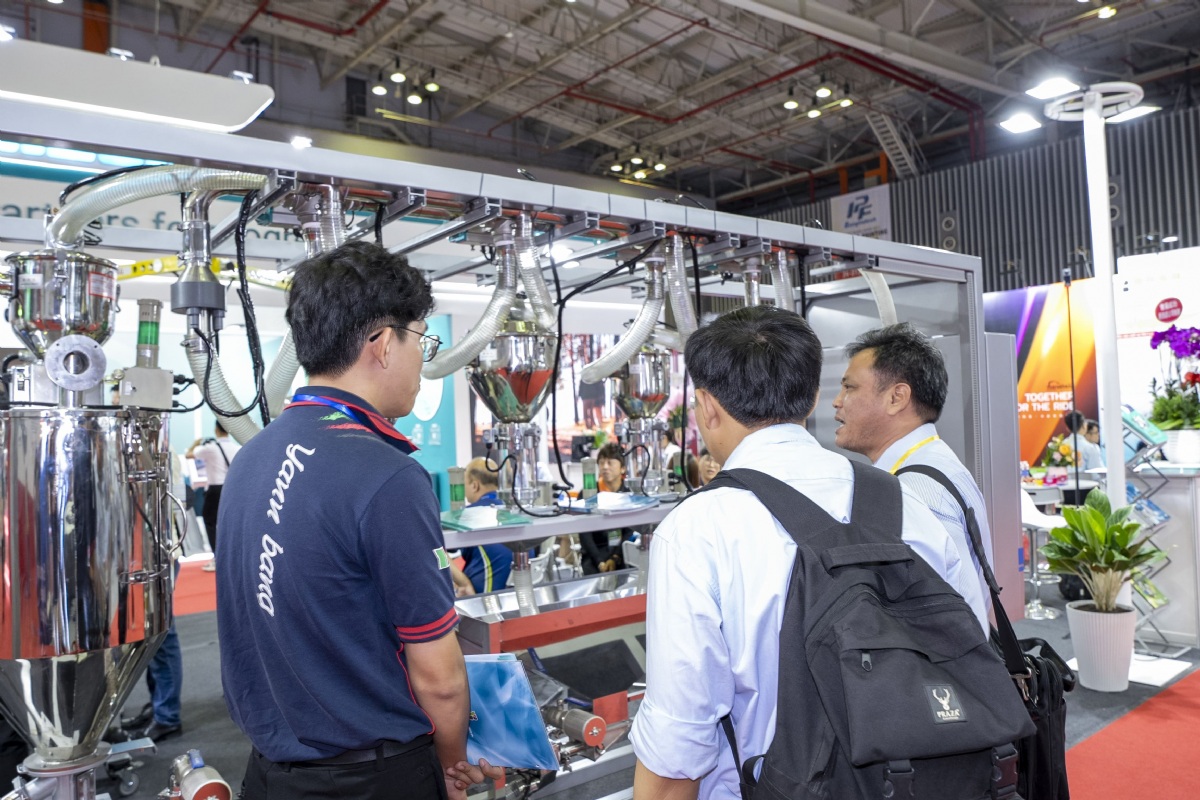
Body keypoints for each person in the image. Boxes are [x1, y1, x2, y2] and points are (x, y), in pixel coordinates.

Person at [629, 306, 976, 800]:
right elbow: (967, 649)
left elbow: (675, 752)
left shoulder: (698, 529)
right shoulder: (906, 503)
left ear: (706, 405)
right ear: (812, 397)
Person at [215, 242, 498, 800]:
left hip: (269, 774)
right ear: (383, 343)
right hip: (372, 778)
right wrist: (452, 763)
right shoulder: (386, 476)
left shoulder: (252, 457)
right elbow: (439, 677)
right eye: (421, 340)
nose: (422, 361)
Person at [831, 323, 990, 634]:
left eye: (849, 388)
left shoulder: (913, 492)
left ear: (897, 397)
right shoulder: (934, 463)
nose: (838, 401)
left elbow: (959, 624)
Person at [449, 457, 514, 596]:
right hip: (515, 593)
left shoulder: (468, 514)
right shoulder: (513, 510)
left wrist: (463, 583)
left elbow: (438, 550)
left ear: (474, 486)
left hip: (485, 599)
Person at [186, 421, 240, 572]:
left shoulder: (211, 448)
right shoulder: (236, 448)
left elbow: (189, 455)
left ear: (216, 429)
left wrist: (196, 443)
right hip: (231, 489)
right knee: (229, 524)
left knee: (210, 523)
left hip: (215, 489)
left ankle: (217, 558)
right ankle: (231, 557)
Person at [582, 442, 635, 574]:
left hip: (621, 552)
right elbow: (584, 532)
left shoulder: (629, 494)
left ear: (622, 468)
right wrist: (599, 561)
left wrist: (615, 557)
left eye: (610, 463)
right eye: (601, 463)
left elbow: (630, 530)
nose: (605, 467)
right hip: (595, 554)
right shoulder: (589, 492)